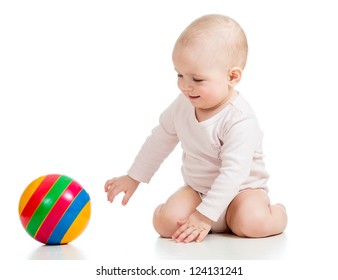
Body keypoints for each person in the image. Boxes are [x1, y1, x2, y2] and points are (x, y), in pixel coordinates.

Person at [104, 14, 287, 243]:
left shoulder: (240, 120)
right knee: (166, 224)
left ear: (232, 76)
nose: (185, 86)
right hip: (199, 191)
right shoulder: (183, 105)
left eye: (197, 79)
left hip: (242, 193)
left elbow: (233, 174)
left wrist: (204, 217)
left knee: (251, 222)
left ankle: (277, 213)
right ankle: (191, 215)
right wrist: (134, 177)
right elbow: (160, 139)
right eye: (180, 74)